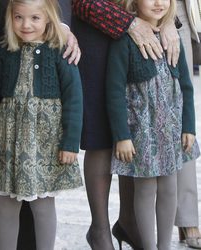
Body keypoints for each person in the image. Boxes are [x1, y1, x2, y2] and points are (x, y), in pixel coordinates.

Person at [0, 0, 79, 249]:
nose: (27, 25)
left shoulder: (55, 51)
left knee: (39, 202)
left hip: (41, 135)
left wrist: (60, 23)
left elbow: (75, 98)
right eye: (22, 19)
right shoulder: (4, 51)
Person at [72, 0, 179, 249]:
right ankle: (99, 230)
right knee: (100, 132)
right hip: (96, 30)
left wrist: (169, 22)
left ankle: (130, 222)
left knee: (137, 127)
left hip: (144, 18)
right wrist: (126, 22)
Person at [106, 0, 200, 249]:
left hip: (170, 130)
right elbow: (114, 91)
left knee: (170, 189)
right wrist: (121, 136)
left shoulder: (173, 39)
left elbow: (186, 87)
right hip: (141, 131)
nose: (159, 2)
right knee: (145, 191)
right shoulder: (124, 42)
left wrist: (188, 127)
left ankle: (164, 246)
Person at [175, 0, 201, 248]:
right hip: (129, 9)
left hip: (178, 10)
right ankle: (132, 222)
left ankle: (188, 218)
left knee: (183, 110)